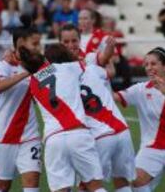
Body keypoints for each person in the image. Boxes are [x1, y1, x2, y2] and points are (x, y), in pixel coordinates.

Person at [18, 44, 107, 192]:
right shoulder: (68, 67)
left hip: (54, 139)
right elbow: (85, 65)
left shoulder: (33, 82)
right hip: (78, 134)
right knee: (95, 187)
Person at [59, 24, 136, 192]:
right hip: (121, 129)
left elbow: (103, 58)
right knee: (121, 182)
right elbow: (105, 63)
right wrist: (109, 49)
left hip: (99, 135)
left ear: (80, 41)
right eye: (66, 41)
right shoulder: (90, 65)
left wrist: (109, 47)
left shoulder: (85, 62)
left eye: (74, 40)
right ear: (60, 43)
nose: (71, 44)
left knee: (87, 186)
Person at [114, 47, 165, 192]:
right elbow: (114, 97)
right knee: (136, 182)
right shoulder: (140, 89)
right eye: (146, 65)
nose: (149, 68)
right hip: (151, 148)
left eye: (153, 64)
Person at [0, 27, 42, 192]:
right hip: (3, 135)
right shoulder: (3, 65)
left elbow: (57, 77)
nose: (38, 47)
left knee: (32, 181)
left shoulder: (41, 65)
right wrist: (26, 73)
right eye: (35, 43)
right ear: (20, 44)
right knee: (3, 185)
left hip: (30, 135)